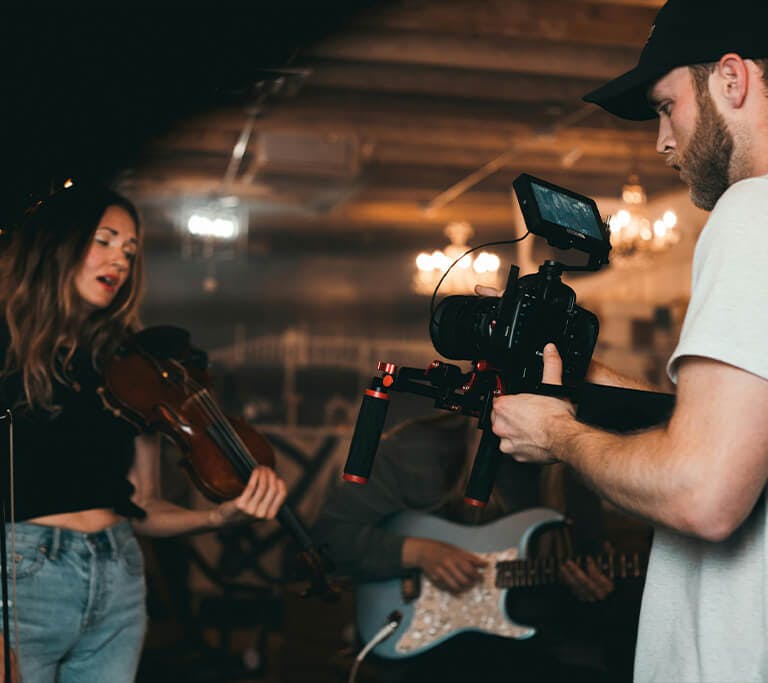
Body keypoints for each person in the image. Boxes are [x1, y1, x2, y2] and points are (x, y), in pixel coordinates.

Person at [488, 1, 768, 681]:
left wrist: (558, 433)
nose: (661, 141)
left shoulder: (751, 212)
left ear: (731, 80)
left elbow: (704, 491)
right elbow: (740, 436)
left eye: (666, 106)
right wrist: (595, 387)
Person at [0, 184, 288, 683]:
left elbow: (145, 506)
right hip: (22, 580)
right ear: (55, 244)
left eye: (130, 251)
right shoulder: (7, 352)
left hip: (120, 577)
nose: (120, 261)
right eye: (105, 240)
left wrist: (221, 515)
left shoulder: (127, 368)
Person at [314, 412, 646, 682]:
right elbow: (329, 539)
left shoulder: (578, 462)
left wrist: (592, 590)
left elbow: (587, 565)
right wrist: (418, 552)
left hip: (539, 649)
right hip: (432, 656)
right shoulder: (416, 447)